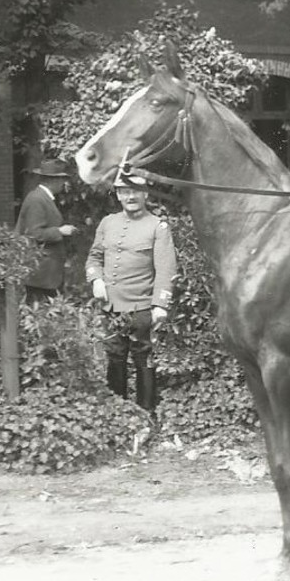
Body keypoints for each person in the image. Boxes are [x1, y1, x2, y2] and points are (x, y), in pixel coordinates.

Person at [86, 171, 176, 413]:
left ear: (145, 193)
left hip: (141, 306)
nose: (130, 196)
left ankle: (146, 414)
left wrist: (160, 304)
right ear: (118, 195)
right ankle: (118, 413)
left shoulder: (158, 226)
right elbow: (94, 257)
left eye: (135, 191)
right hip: (111, 306)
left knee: (143, 359)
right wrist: (96, 279)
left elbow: (166, 269)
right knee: (115, 359)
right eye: (124, 192)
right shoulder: (108, 223)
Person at [14, 159, 78, 302]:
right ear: (53, 180)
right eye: (62, 180)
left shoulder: (43, 198)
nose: (64, 184)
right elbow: (34, 233)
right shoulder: (37, 199)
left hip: (46, 275)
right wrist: (60, 231)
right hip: (40, 276)